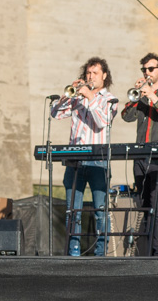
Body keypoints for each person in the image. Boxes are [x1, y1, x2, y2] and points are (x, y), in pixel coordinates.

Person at [50, 57, 118, 256]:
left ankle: (100, 254)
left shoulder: (110, 99)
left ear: (104, 76)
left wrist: (89, 96)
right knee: (73, 211)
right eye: (88, 73)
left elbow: (102, 121)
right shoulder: (77, 98)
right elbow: (56, 113)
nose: (90, 77)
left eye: (95, 73)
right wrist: (66, 96)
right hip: (75, 160)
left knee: (100, 211)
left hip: (98, 160)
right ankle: (74, 252)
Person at [121, 53, 158, 256]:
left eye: (151, 69)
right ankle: (145, 252)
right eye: (144, 69)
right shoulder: (142, 95)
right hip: (140, 155)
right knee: (144, 205)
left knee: (157, 205)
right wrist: (137, 94)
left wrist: (153, 96)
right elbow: (126, 117)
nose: (147, 72)